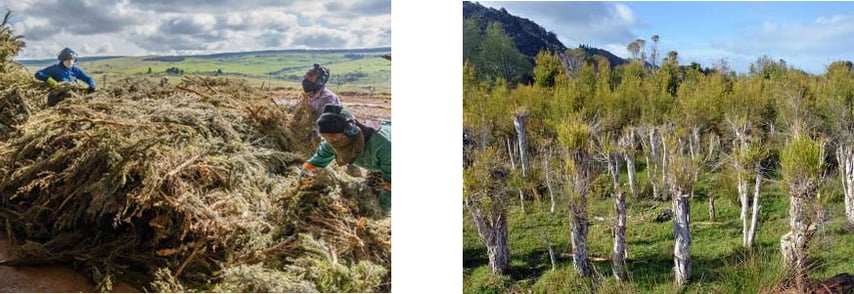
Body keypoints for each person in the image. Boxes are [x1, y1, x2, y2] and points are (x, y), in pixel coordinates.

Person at [300, 104, 391, 214]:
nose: (331, 142)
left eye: (333, 138)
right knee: (372, 192)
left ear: (350, 130)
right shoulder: (331, 144)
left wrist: (380, 214)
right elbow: (314, 164)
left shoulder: (382, 145)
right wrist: (299, 184)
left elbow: (390, 186)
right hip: (378, 164)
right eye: (326, 138)